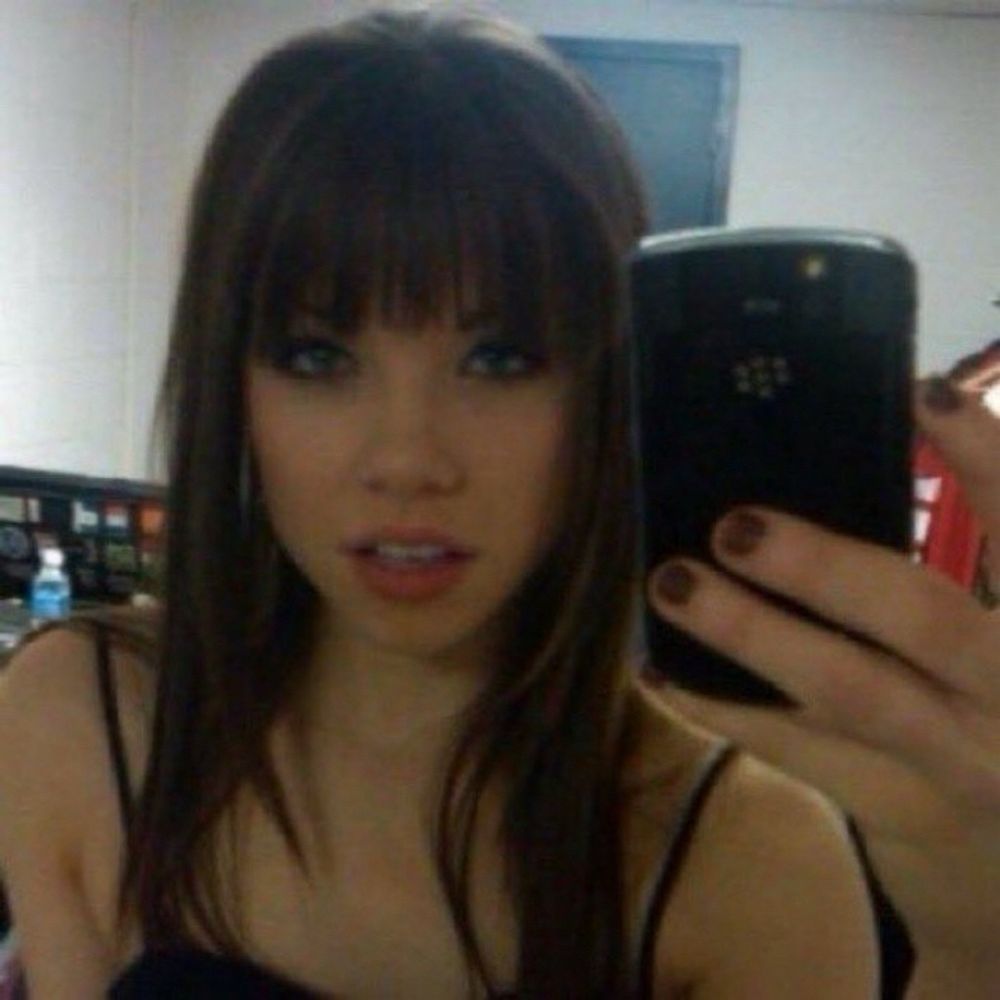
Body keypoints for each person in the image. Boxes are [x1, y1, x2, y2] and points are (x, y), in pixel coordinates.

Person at [0, 7, 996, 998]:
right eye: (317, 355)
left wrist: (973, 954)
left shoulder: (745, 857)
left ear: (605, 386)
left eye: (500, 358)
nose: (407, 461)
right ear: (233, 382)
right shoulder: (82, 718)